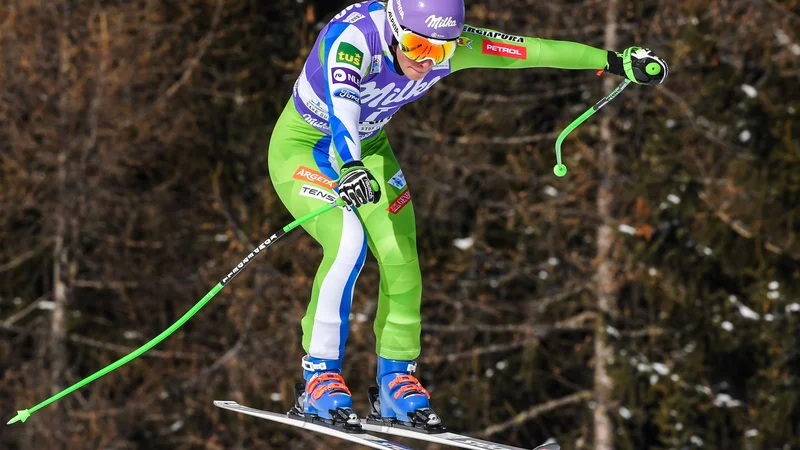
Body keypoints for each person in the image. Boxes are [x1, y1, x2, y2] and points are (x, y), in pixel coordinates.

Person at [267, 0, 667, 429]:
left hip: (369, 151)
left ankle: (395, 383)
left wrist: (614, 61)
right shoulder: (353, 39)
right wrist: (349, 166)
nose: (426, 60)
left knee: (401, 257)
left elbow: (532, 50)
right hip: (306, 146)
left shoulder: (449, 45)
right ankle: (319, 379)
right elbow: (343, 106)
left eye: (439, 52)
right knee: (348, 243)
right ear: (394, 26)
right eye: (417, 45)